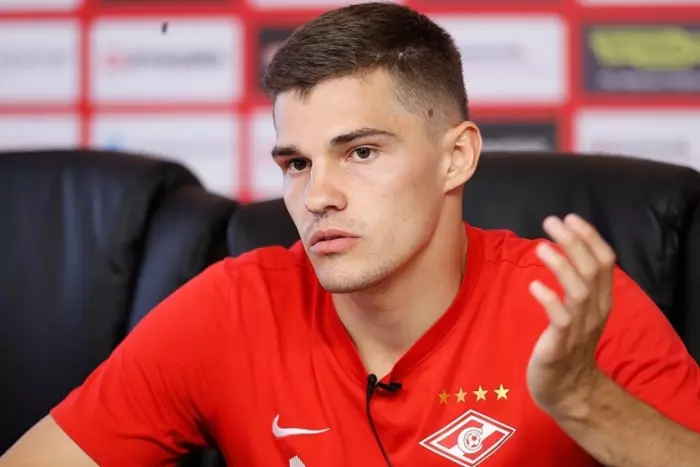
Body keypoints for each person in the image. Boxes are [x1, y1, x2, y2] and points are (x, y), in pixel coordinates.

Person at [2, 3, 699, 467]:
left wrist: (584, 400)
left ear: (456, 157)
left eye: (360, 152)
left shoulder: (570, 304)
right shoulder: (230, 308)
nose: (317, 196)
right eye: (296, 163)